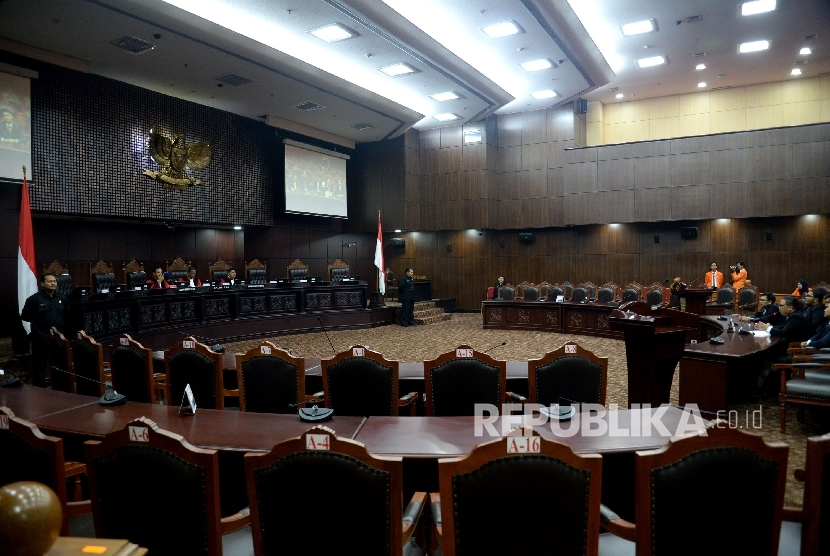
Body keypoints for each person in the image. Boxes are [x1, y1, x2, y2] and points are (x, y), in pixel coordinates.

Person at [20, 274, 69, 387]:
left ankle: (59, 386)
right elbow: (25, 316)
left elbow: (66, 316)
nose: (53, 283)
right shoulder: (34, 299)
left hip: (58, 338)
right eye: (50, 281)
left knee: (59, 364)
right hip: (41, 338)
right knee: (40, 365)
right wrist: (40, 327)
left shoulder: (62, 298)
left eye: (54, 281)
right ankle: (39, 388)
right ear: (42, 284)